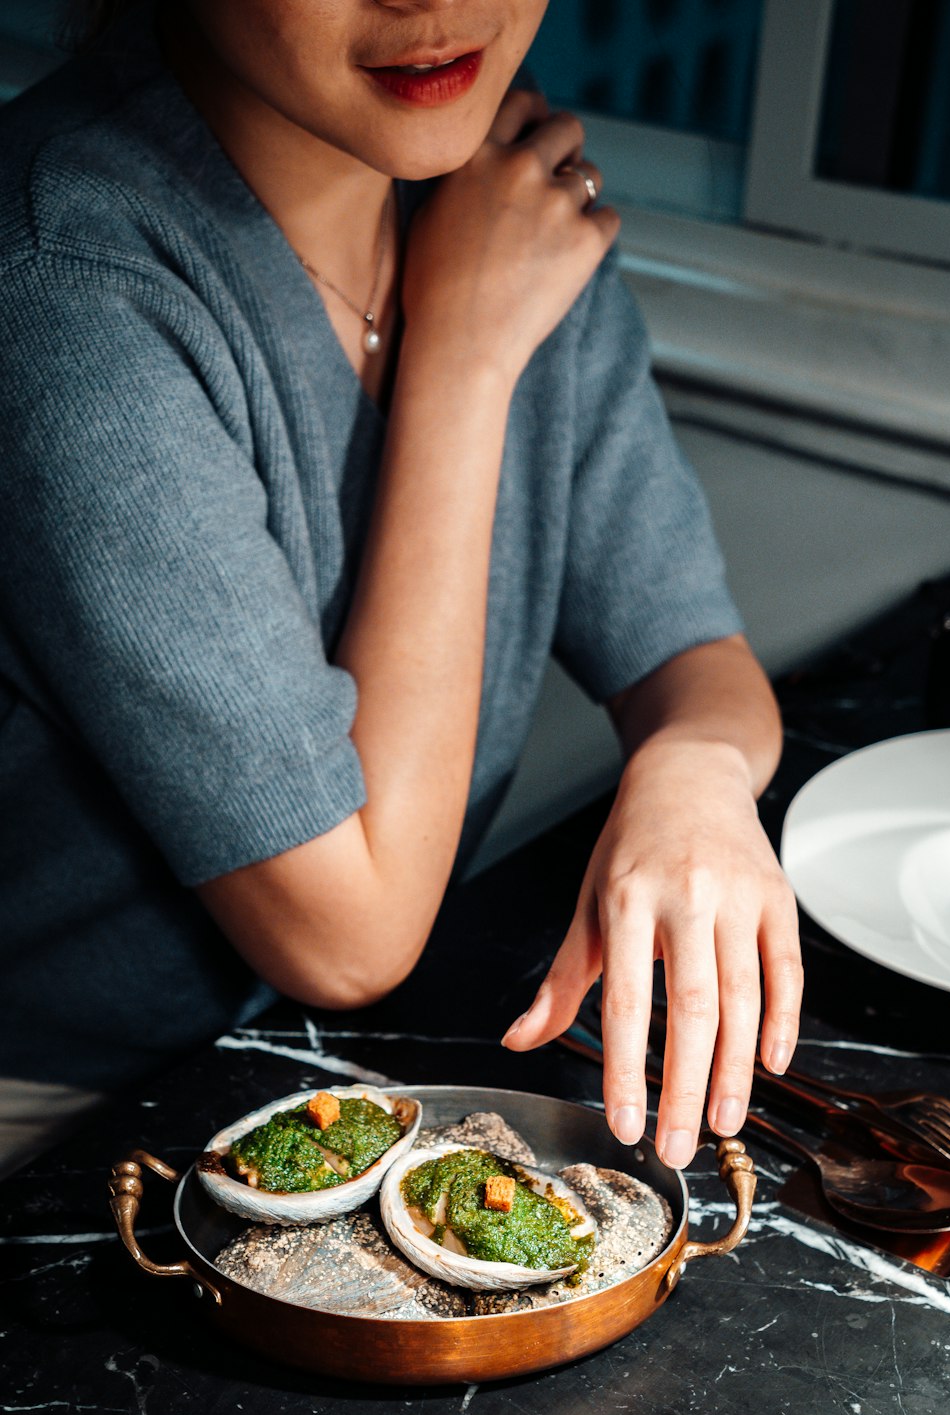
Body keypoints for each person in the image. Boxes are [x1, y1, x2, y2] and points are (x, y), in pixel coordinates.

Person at [0, 0, 802, 1176]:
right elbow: (347, 934)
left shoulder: (500, 198)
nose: (433, 4)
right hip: (63, 1128)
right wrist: (465, 358)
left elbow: (689, 654)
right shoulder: (60, 274)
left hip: (325, 1076)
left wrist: (694, 768)